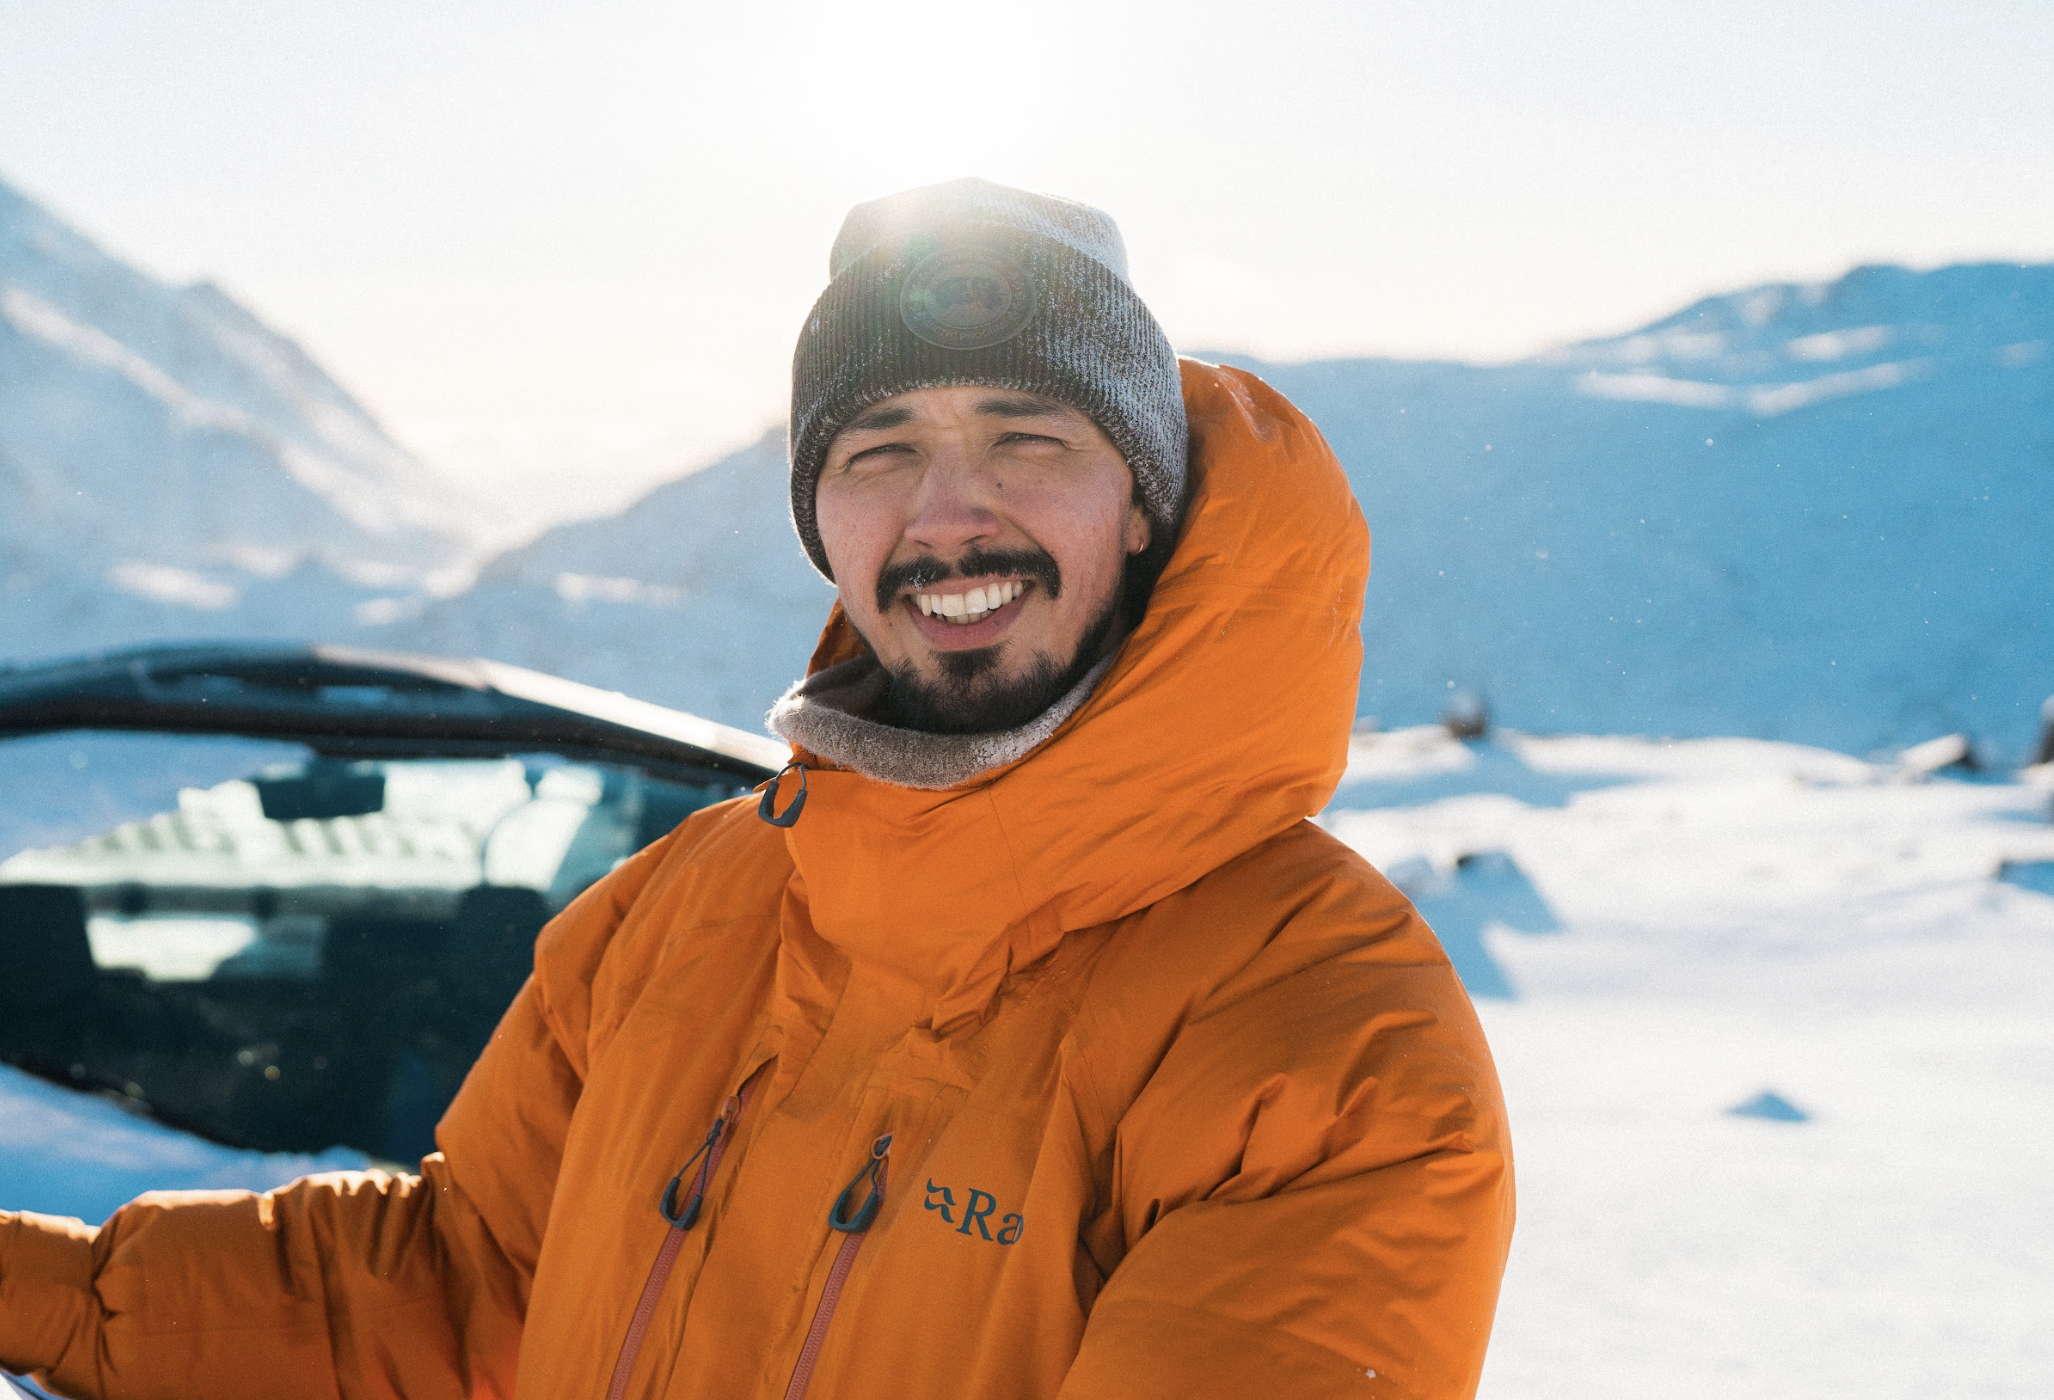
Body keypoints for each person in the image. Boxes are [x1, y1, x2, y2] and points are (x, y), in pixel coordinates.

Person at [0, 179, 1512, 1400]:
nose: (947, 513)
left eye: (1026, 438)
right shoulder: (679, 910)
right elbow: (463, 1288)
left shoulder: (1321, 1046)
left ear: (1142, 507)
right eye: (878, 451)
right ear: (820, 522)